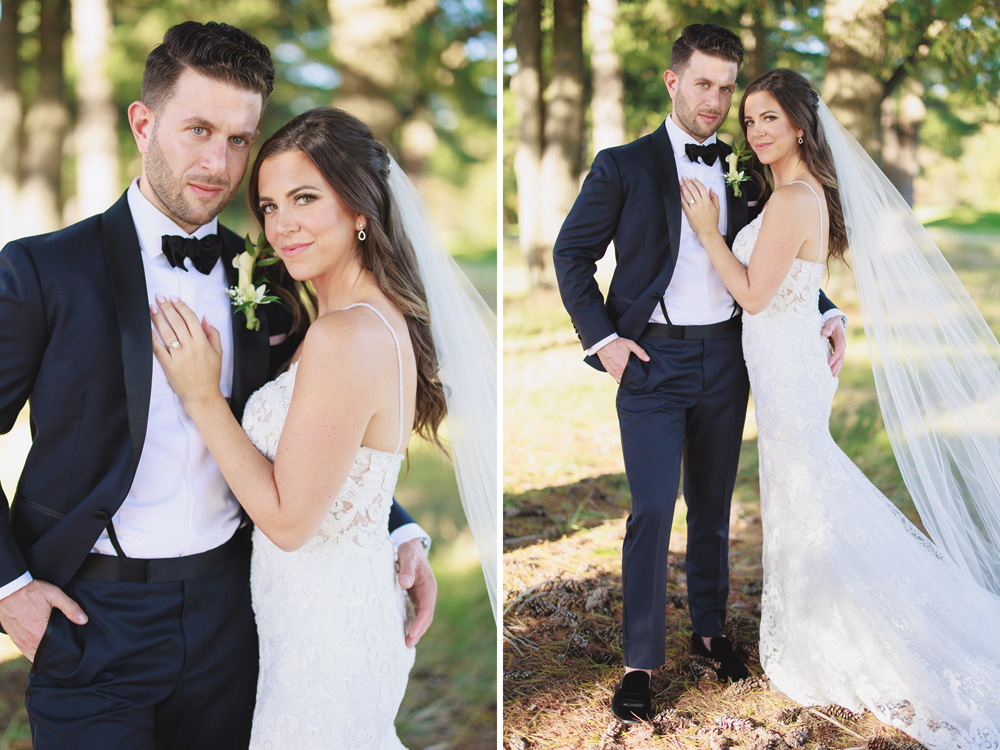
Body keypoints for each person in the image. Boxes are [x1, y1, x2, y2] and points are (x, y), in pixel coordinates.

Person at [0, 22, 435, 749]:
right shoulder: (44, 271)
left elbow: (320, 419)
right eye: (197, 129)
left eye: (239, 139)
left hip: (237, 621)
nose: (218, 162)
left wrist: (395, 526)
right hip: (90, 617)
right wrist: (9, 590)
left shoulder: (268, 277)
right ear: (143, 123)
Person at [150, 106, 497, 748]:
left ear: (360, 207)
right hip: (326, 613)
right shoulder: (356, 319)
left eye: (304, 199)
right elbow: (345, 471)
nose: (282, 227)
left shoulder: (346, 336)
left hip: (323, 640)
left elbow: (287, 521)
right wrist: (404, 531)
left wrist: (203, 398)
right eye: (270, 206)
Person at [680, 67, 1000, 748]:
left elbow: (755, 294)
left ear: (800, 125)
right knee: (803, 494)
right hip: (786, 363)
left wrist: (708, 230)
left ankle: (839, 629)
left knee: (808, 494)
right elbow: (794, 286)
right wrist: (831, 314)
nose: (757, 130)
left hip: (788, 372)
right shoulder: (797, 192)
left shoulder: (795, 197)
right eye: (750, 120)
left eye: (770, 118)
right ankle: (823, 618)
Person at [552, 23, 846, 723]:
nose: (714, 102)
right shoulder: (623, 164)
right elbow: (571, 256)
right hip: (650, 360)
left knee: (712, 509)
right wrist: (605, 343)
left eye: (726, 88)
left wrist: (825, 310)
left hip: (731, 357)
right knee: (654, 507)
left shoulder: (748, 168)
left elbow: (774, 254)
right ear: (673, 81)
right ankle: (640, 664)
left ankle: (713, 632)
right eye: (703, 84)